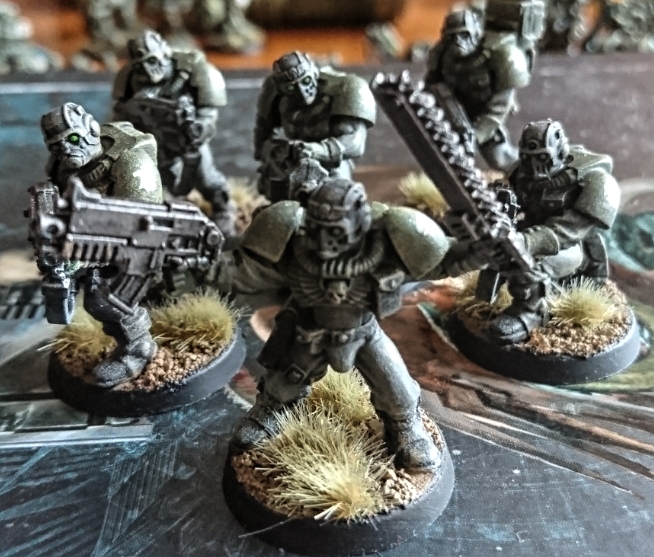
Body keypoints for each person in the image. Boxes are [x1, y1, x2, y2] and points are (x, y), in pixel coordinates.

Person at [216, 161, 476, 470]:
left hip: (364, 333)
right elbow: (247, 273)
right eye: (319, 230)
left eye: (336, 232)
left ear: (359, 223)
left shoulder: (387, 249)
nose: (326, 243)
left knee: (396, 387)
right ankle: (270, 412)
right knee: (283, 382)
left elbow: (443, 262)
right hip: (309, 331)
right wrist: (209, 267)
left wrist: (479, 252)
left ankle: (406, 428)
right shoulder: (295, 247)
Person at [41, 102, 163, 386]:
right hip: (84, 234)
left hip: (133, 240)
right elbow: (57, 192)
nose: (66, 149)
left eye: (73, 138)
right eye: (56, 145)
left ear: (91, 129)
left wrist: (82, 255)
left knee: (103, 299)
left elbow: (138, 225)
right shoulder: (62, 163)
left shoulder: (130, 161)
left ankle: (139, 349)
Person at [487, 119, 620, 343]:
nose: (534, 166)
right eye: (528, 158)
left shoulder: (594, 179)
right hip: (529, 232)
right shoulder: (520, 174)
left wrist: (524, 242)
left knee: (528, 262)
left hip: (572, 247)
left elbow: (568, 231)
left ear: (559, 151)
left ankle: (531, 312)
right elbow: (510, 202)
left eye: (541, 157)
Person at [113, 30, 236, 236]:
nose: (148, 70)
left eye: (152, 61)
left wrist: (196, 130)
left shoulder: (192, 70)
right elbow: (119, 114)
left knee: (206, 178)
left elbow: (208, 114)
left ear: (165, 53)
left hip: (187, 140)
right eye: (140, 66)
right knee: (150, 182)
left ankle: (223, 208)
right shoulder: (130, 79)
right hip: (151, 139)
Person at [254, 51, 376, 201]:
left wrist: (316, 150)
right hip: (291, 159)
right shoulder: (273, 90)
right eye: (291, 88)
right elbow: (263, 129)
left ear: (314, 73)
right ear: (281, 88)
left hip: (332, 163)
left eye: (306, 81)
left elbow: (354, 143)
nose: (302, 91)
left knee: (338, 200)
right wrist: (268, 156)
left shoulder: (344, 87)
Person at [424, 9, 533, 172]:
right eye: (452, 37)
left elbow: (500, 106)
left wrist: (476, 135)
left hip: (484, 115)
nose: (458, 41)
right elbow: (431, 84)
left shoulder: (499, 54)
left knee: (499, 159)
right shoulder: (440, 54)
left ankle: (529, 174)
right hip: (450, 114)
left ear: (476, 34)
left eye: (464, 35)